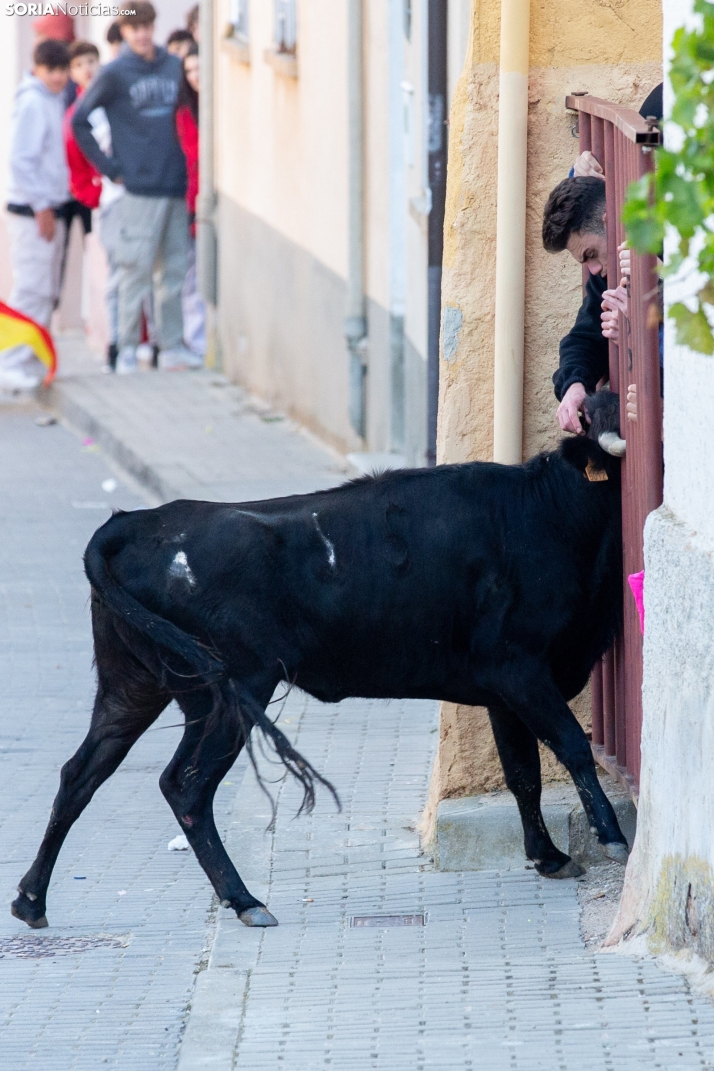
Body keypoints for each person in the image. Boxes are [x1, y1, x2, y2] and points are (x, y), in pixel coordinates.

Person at [72, 1, 199, 372]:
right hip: (139, 187)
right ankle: (126, 348)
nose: (142, 34)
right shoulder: (114, 73)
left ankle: (171, 345)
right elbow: (79, 122)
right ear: (124, 32)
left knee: (173, 271)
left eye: (147, 26)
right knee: (135, 270)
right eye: (134, 28)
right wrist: (110, 169)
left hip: (175, 182)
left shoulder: (173, 66)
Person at [1, 40, 71, 392]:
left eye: (63, 70)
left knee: (44, 290)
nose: (58, 77)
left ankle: (28, 359)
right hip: (31, 211)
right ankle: (8, 362)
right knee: (30, 288)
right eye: (52, 71)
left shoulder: (54, 99)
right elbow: (21, 161)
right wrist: (41, 205)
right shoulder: (32, 102)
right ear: (37, 69)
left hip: (48, 208)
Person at [175, 45, 205, 358]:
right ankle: (195, 340)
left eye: (200, 69)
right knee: (192, 275)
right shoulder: (185, 111)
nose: (195, 77)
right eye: (189, 71)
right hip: (192, 203)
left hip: (208, 200)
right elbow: (191, 157)